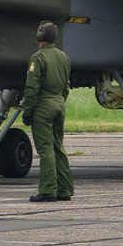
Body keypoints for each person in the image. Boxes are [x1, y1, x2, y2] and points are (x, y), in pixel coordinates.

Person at [19, 20, 73, 202]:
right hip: (59, 104)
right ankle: (64, 189)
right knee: (58, 146)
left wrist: (27, 113)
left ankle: (48, 190)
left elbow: (32, 89)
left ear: (40, 36)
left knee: (45, 148)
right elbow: (66, 86)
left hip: (43, 107)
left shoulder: (37, 58)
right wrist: (59, 101)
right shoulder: (63, 57)